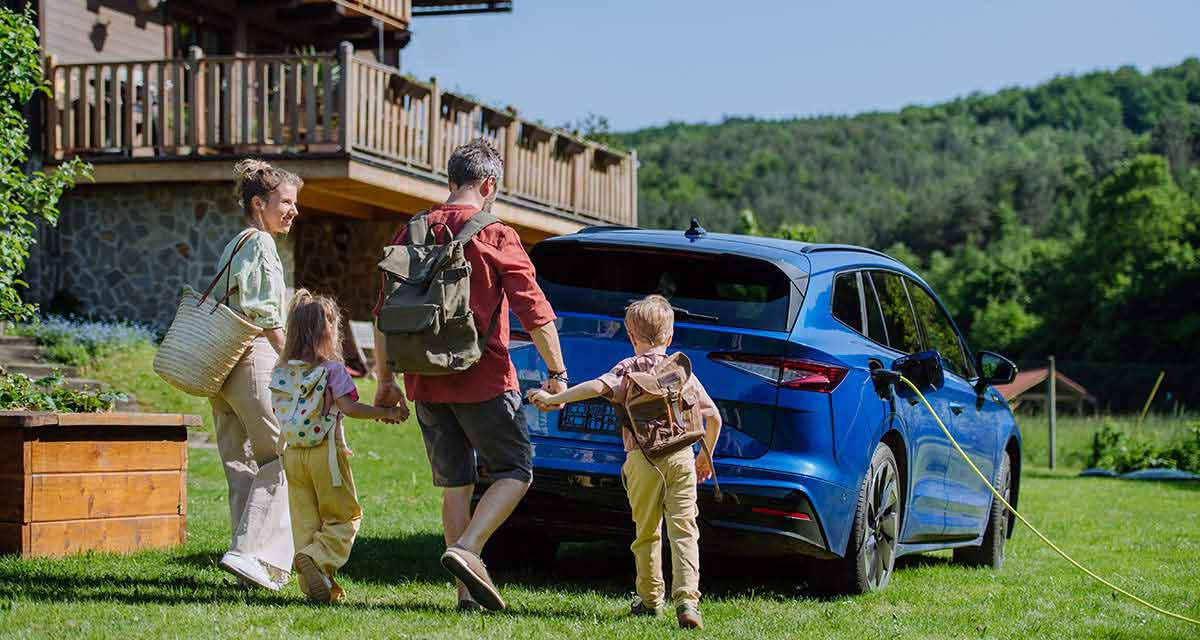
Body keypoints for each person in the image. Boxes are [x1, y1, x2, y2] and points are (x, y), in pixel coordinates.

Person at [372, 138, 567, 612]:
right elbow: (535, 312)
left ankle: (466, 596)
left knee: (456, 483)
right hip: (483, 378)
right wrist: (557, 371)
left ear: (450, 180)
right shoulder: (495, 232)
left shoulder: (411, 231)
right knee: (515, 469)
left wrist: (385, 382)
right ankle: (468, 549)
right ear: (489, 185)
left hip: (424, 380)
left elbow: (383, 314)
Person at [527, 295, 722, 630]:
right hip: (682, 458)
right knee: (685, 530)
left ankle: (650, 600)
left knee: (647, 532)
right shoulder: (681, 369)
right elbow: (713, 416)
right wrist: (706, 457)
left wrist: (555, 398)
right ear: (670, 336)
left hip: (643, 460)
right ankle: (688, 600)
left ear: (631, 337)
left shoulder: (629, 369)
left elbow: (595, 387)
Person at [273, 291, 407, 603]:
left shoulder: (282, 371)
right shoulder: (332, 370)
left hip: (292, 455)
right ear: (328, 329)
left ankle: (316, 587)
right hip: (326, 455)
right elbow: (349, 408)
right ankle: (318, 560)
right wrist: (386, 413)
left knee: (306, 522)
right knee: (345, 518)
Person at [211, 159, 303, 590]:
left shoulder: (236, 242)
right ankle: (250, 553)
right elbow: (266, 315)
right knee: (281, 457)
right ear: (258, 203)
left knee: (241, 462)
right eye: (286, 202)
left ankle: (248, 564)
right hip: (251, 359)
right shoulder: (262, 244)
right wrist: (295, 363)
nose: (293, 211)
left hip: (220, 364)